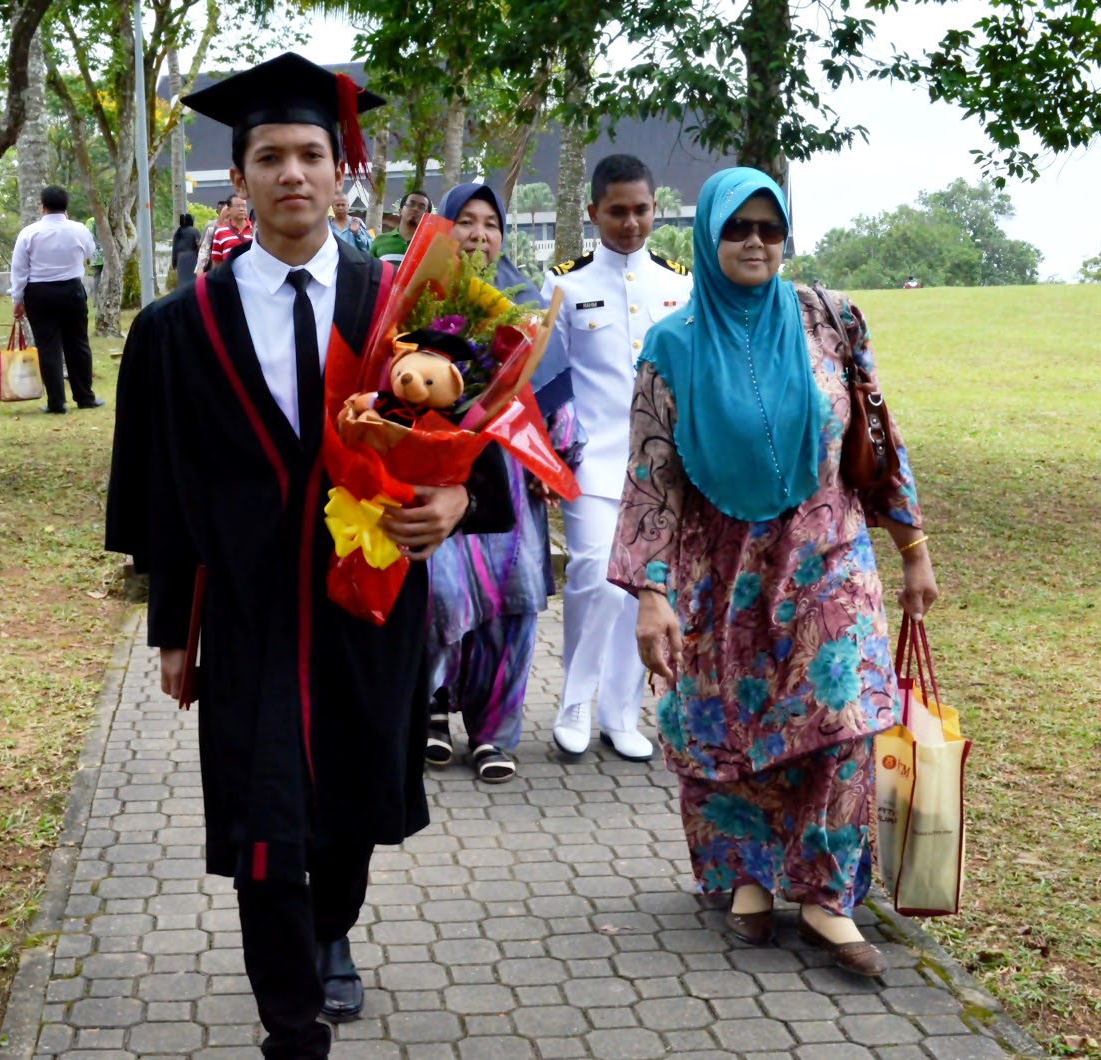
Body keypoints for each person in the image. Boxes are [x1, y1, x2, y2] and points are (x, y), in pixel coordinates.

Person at [104, 53, 512, 1059]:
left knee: (349, 817)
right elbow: (160, 493)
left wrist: (454, 496)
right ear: (238, 179)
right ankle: (292, 1026)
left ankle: (329, 927)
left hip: (366, 602)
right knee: (261, 819)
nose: (292, 173)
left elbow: (487, 439)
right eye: (269, 157)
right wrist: (169, 632)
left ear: (342, 173)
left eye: (310, 155)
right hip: (246, 613)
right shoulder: (178, 329)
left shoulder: (408, 304)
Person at [611, 167, 939, 977]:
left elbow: (878, 434)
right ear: (708, 236)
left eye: (770, 228)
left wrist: (913, 548)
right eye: (738, 228)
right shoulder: (673, 346)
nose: (755, 242)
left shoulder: (830, 319)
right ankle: (749, 874)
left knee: (843, 711)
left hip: (828, 550)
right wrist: (651, 593)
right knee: (733, 719)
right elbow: (651, 475)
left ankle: (828, 897)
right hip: (721, 567)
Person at [421, 182, 584, 784]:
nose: (479, 234)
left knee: (508, 606)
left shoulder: (526, 303)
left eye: (491, 223)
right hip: (440, 474)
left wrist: (555, 461)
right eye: (466, 220)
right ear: (445, 229)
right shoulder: (419, 300)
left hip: (513, 479)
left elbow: (558, 391)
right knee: (440, 593)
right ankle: (431, 712)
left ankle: (494, 734)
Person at [541, 154, 692, 760]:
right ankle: (575, 698)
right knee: (590, 577)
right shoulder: (567, 284)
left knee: (645, 589)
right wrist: (552, 461)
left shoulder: (680, 284)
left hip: (662, 469)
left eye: (641, 210)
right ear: (593, 211)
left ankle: (621, 712)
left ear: (656, 209)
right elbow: (550, 383)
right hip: (593, 462)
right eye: (617, 211)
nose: (630, 223)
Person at [10, 185, 104, 413]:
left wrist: (17, 298)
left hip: (39, 294)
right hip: (71, 290)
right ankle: (85, 397)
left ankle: (56, 402)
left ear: (42, 207)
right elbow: (91, 252)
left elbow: (19, 269)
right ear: (66, 207)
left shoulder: (29, 233)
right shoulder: (79, 229)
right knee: (78, 344)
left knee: (48, 346)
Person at [370, 187, 431, 261]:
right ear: (400, 211)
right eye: (411, 204)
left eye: (421, 207)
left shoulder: (431, 246)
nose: (415, 209)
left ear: (427, 217)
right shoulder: (380, 241)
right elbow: (369, 270)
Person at [210, 192, 253, 266]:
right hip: (229, 276)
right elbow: (216, 262)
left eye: (244, 206)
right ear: (229, 209)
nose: (241, 209)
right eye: (237, 206)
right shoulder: (220, 232)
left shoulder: (255, 229)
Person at [197, 197, 228, 272]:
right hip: (213, 262)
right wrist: (200, 267)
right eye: (221, 211)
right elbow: (203, 247)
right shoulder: (210, 227)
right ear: (217, 211)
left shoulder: (234, 226)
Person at [171, 212, 201, 286]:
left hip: (180, 259)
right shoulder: (194, 231)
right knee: (193, 281)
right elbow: (199, 246)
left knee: (182, 280)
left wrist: (174, 264)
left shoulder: (177, 232)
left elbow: (174, 249)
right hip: (192, 257)